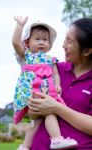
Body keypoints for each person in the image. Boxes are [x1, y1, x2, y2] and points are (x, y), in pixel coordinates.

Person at [12, 16, 78, 150]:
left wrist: (58, 85)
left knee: (38, 122)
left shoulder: (51, 59)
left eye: (45, 40)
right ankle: (56, 139)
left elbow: (55, 74)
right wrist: (20, 25)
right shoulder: (27, 56)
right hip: (31, 94)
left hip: (46, 94)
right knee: (49, 113)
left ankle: (25, 146)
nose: (41, 42)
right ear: (27, 43)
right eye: (37, 39)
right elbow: (15, 43)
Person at [28, 17, 92, 150]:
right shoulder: (54, 69)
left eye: (70, 41)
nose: (63, 45)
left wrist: (56, 108)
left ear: (87, 51)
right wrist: (36, 105)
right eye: (65, 39)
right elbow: (32, 114)